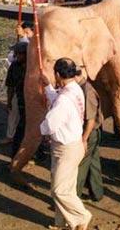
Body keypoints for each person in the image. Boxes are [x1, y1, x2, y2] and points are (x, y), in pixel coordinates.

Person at [40, 58, 92, 230]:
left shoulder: (64, 99)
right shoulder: (74, 89)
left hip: (66, 149)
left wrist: (39, 128)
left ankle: (82, 216)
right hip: (71, 145)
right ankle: (63, 223)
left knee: (59, 189)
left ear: (57, 74)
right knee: (66, 188)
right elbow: (59, 99)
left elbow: (50, 124)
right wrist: (48, 87)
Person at [76, 72, 104, 202]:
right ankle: (97, 193)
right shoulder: (82, 88)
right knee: (93, 162)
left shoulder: (87, 91)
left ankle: (74, 197)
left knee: (81, 163)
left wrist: (84, 139)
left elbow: (91, 120)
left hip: (90, 132)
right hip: (92, 132)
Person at [4, 42, 28, 157]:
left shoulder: (33, 66)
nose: (16, 55)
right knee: (14, 116)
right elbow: (10, 85)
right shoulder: (14, 66)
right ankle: (10, 137)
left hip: (30, 99)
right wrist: (9, 100)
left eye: (18, 53)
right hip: (18, 96)